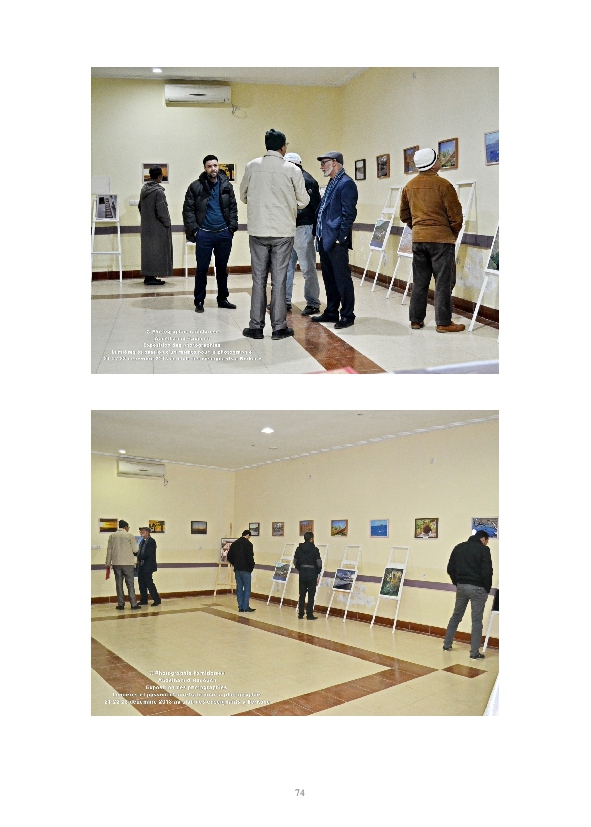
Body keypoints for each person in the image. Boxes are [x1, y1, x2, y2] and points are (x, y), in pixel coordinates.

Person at [239, 129, 310, 340]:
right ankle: (279, 328)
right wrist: (288, 204)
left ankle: (255, 327)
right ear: (283, 147)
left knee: (258, 280)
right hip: (283, 232)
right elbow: (304, 200)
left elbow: (243, 195)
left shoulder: (252, 166)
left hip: (258, 231)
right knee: (279, 280)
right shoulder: (292, 169)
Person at [399, 147, 465, 333]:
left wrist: (419, 228)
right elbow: (456, 217)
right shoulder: (444, 186)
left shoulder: (409, 186)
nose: (439, 161)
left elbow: (404, 215)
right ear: (433, 164)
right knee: (443, 282)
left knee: (420, 282)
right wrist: (452, 233)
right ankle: (443, 322)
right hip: (441, 240)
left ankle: (415, 320)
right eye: (437, 159)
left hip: (418, 239)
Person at [182, 155, 239, 313]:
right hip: (204, 235)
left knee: (222, 269)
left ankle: (222, 299)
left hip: (223, 234)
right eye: (209, 166)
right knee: (202, 269)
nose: (213, 169)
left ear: (218, 166)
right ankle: (199, 300)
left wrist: (231, 228)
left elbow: (233, 207)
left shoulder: (226, 186)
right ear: (205, 168)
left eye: (215, 165)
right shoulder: (195, 187)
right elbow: (188, 211)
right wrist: (195, 231)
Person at [312, 151, 358, 329]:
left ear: (335, 162)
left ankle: (347, 315)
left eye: (324, 163)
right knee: (329, 278)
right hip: (325, 238)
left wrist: (341, 237)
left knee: (342, 279)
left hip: (336, 240)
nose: (321, 167)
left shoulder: (346, 183)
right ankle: (331, 311)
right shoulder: (333, 182)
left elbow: (349, 214)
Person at [443, 529, 493, 658]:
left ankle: (447, 644)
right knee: (476, 621)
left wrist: (458, 582)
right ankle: (474, 653)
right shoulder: (484, 550)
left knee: (456, 616)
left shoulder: (459, 547)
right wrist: (486, 588)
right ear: (483, 539)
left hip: (462, 587)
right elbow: (487, 572)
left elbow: (450, 568)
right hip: (478, 589)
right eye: (486, 542)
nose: (486, 544)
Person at [283, 152, 322, 316]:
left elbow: (317, 207)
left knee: (307, 268)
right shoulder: (290, 179)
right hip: (289, 228)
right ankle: (284, 301)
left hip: (303, 228)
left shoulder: (307, 180)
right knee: (286, 268)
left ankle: (313, 302)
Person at [138, 166, 173, 286]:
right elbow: (162, 211)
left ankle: (149, 276)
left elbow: (140, 207)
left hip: (146, 226)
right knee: (157, 252)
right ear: (159, 176)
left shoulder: (143, 190)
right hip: (158, 228)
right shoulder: (158, 192)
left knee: (148, 252)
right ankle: (151, 277)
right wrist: (167, 224)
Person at [105, 520, 141, 610]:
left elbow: (109, 550)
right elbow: (135, 550)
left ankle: (121, 604)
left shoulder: (112, 536)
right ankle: (133, 604)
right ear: (125, 527)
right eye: (128, 527)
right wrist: (136, 543)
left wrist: (108, 563)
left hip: (116, 563)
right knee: (130, 584)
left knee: (119, 584)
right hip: (128, 563)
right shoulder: (130, 536)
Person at [293, 531, 322, 620]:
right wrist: (317, 573)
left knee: (301, 595)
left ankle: (300, 614)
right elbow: (319, 563)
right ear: (311, 539)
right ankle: (309, 615)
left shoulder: (298, 549)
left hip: (302, 574)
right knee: (311, 596)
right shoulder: (315, 549)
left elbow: (295, 561)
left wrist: (300, 569)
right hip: (312, 574)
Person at [227, 530, 256, 612]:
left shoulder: (235, 543)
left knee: (239, 587)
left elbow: (229, 557)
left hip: (237, 569)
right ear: (247, 535)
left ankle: (240, 607)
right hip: (246, 569)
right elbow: (250, 558)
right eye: (249, 537)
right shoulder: (249, 544)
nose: (249, 538)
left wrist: (235, 564)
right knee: (247, 588)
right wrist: (251, 566)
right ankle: (246, 606)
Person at [136, 526, 161, 607]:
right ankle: (144, 600)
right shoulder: (142, 541)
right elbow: (139, 552)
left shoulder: (151, 541)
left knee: (149, 583)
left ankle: (157, 600)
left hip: (148, 566)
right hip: (141, 566)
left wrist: (138, 557)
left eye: (143, 531)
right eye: (141, 531)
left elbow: (148, 554)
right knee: (141, 584)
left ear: (148, 532)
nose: (141, 532)